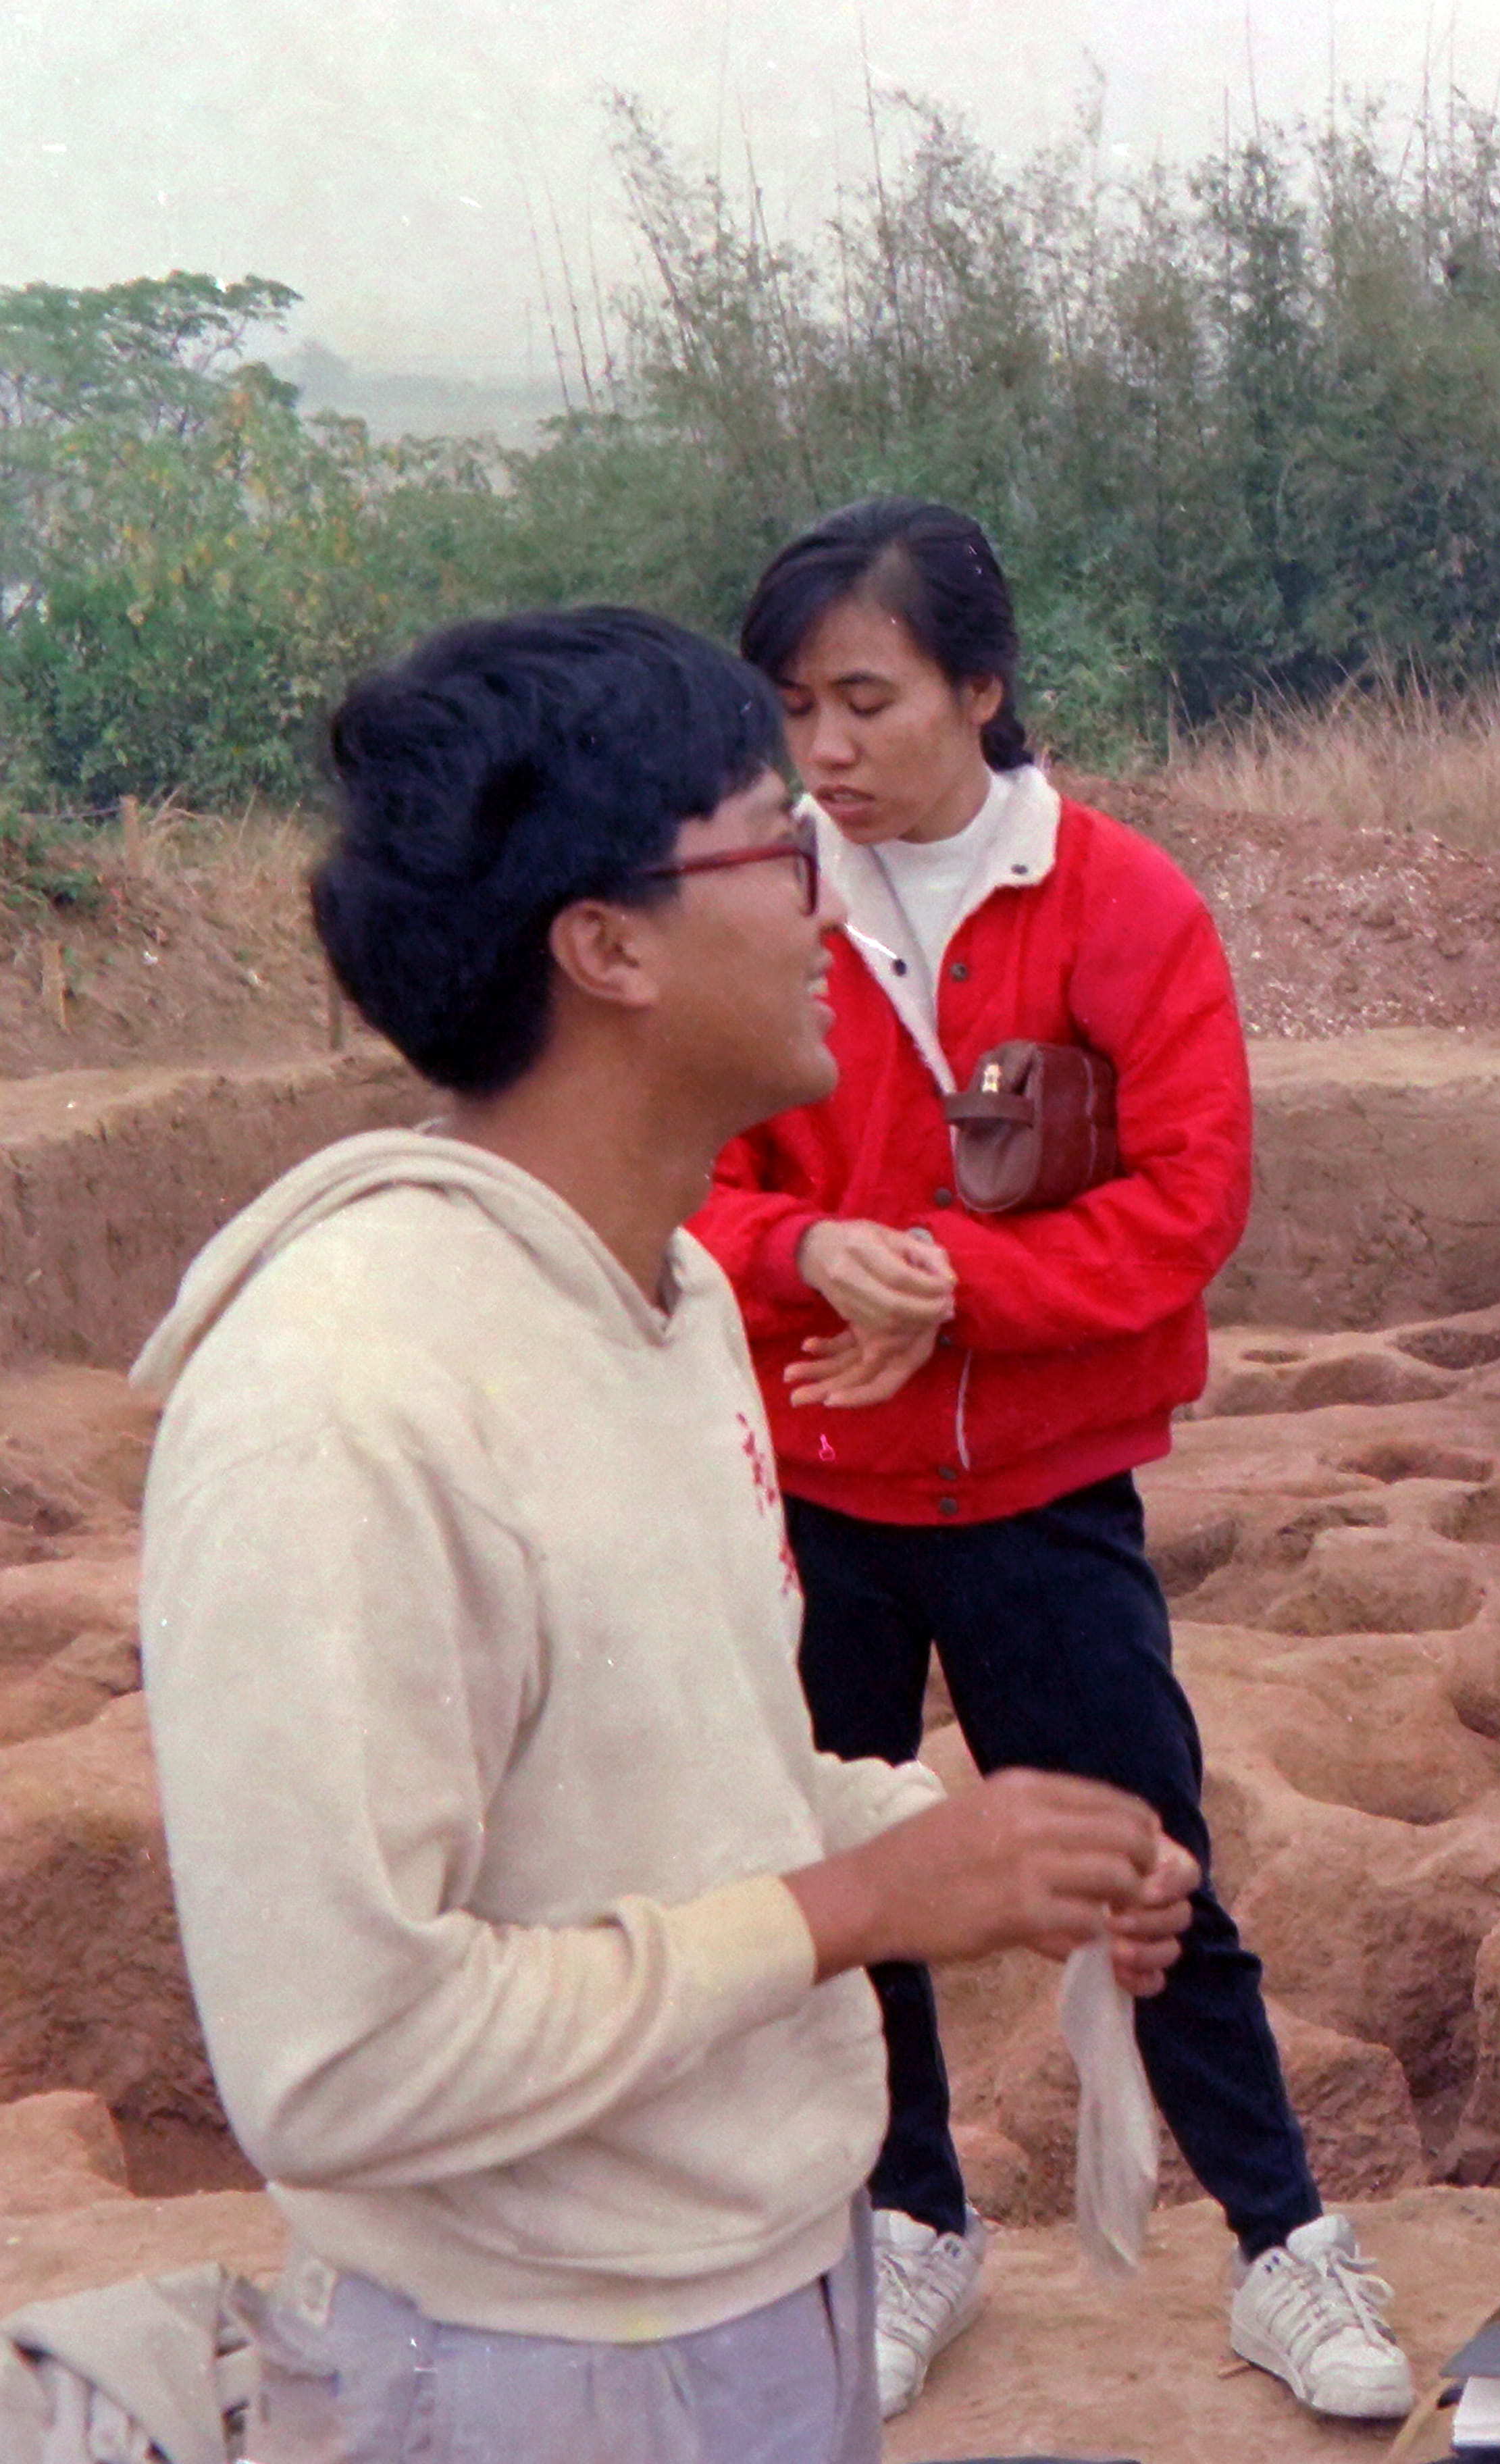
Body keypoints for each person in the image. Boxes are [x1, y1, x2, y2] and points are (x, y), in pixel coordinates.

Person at [132, 607, 1198, 2463]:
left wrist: (972, 1849)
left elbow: (705, 1789)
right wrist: (858, 1906)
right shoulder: (345, 1406)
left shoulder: (672, 1297)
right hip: (532, 2377)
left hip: (771, 2288)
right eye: (780, 850)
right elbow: (338, 2061)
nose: (832, 907)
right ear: (607, 944)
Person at [690, 500, 1411, 2423]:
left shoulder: (1121, 904)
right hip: (813, 1490)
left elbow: (1189, 1201)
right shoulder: (760, 894)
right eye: (798, 709)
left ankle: (1283, 2246)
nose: (824, 751)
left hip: (1035, 1492)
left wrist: (956, 1286)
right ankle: (909, 2218)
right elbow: (693, 1169)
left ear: (982, 691)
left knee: (1145, 1865)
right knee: (845, 1866)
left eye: (867, 700)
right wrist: (800, 1248)